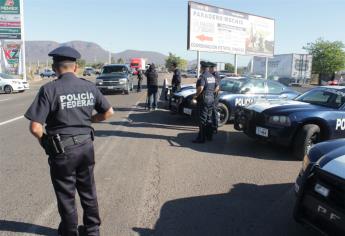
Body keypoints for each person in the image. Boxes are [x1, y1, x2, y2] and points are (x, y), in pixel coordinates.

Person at [24, 46, 114, 236]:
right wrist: (90, 120)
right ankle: (92, 231)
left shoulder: (49, 89)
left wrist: (47, 144)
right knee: (88, 191)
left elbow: (35, 127)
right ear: (75, 67)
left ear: (55, 67)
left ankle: (70, 232)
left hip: (62, 151)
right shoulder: (89, 86)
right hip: (86, 147)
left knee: (66, 196)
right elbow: (108, 112)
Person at [192, 61, 219, 143]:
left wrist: (195, 96)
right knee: (209, 118)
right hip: (211, 99)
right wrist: (211, 93)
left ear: (203, 68)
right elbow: (217, 87)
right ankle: (209, 136)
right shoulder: (212, 76)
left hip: (204, 100)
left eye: (200, 67)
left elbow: (200, 88)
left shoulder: (203, 76)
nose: (200, 69)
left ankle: (201, 138)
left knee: (202, 119)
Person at [209, 62, 221, 133]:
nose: (210, 69)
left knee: (214, 111)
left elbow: (217, 87)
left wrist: (212, 93)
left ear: (214, 68)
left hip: (215, 95)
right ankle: (211, 126)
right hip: (211, 95)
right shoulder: (211, 75)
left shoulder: (216, 75)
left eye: (212, 68)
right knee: (211, 111)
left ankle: (215, 127)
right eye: (210, 68)